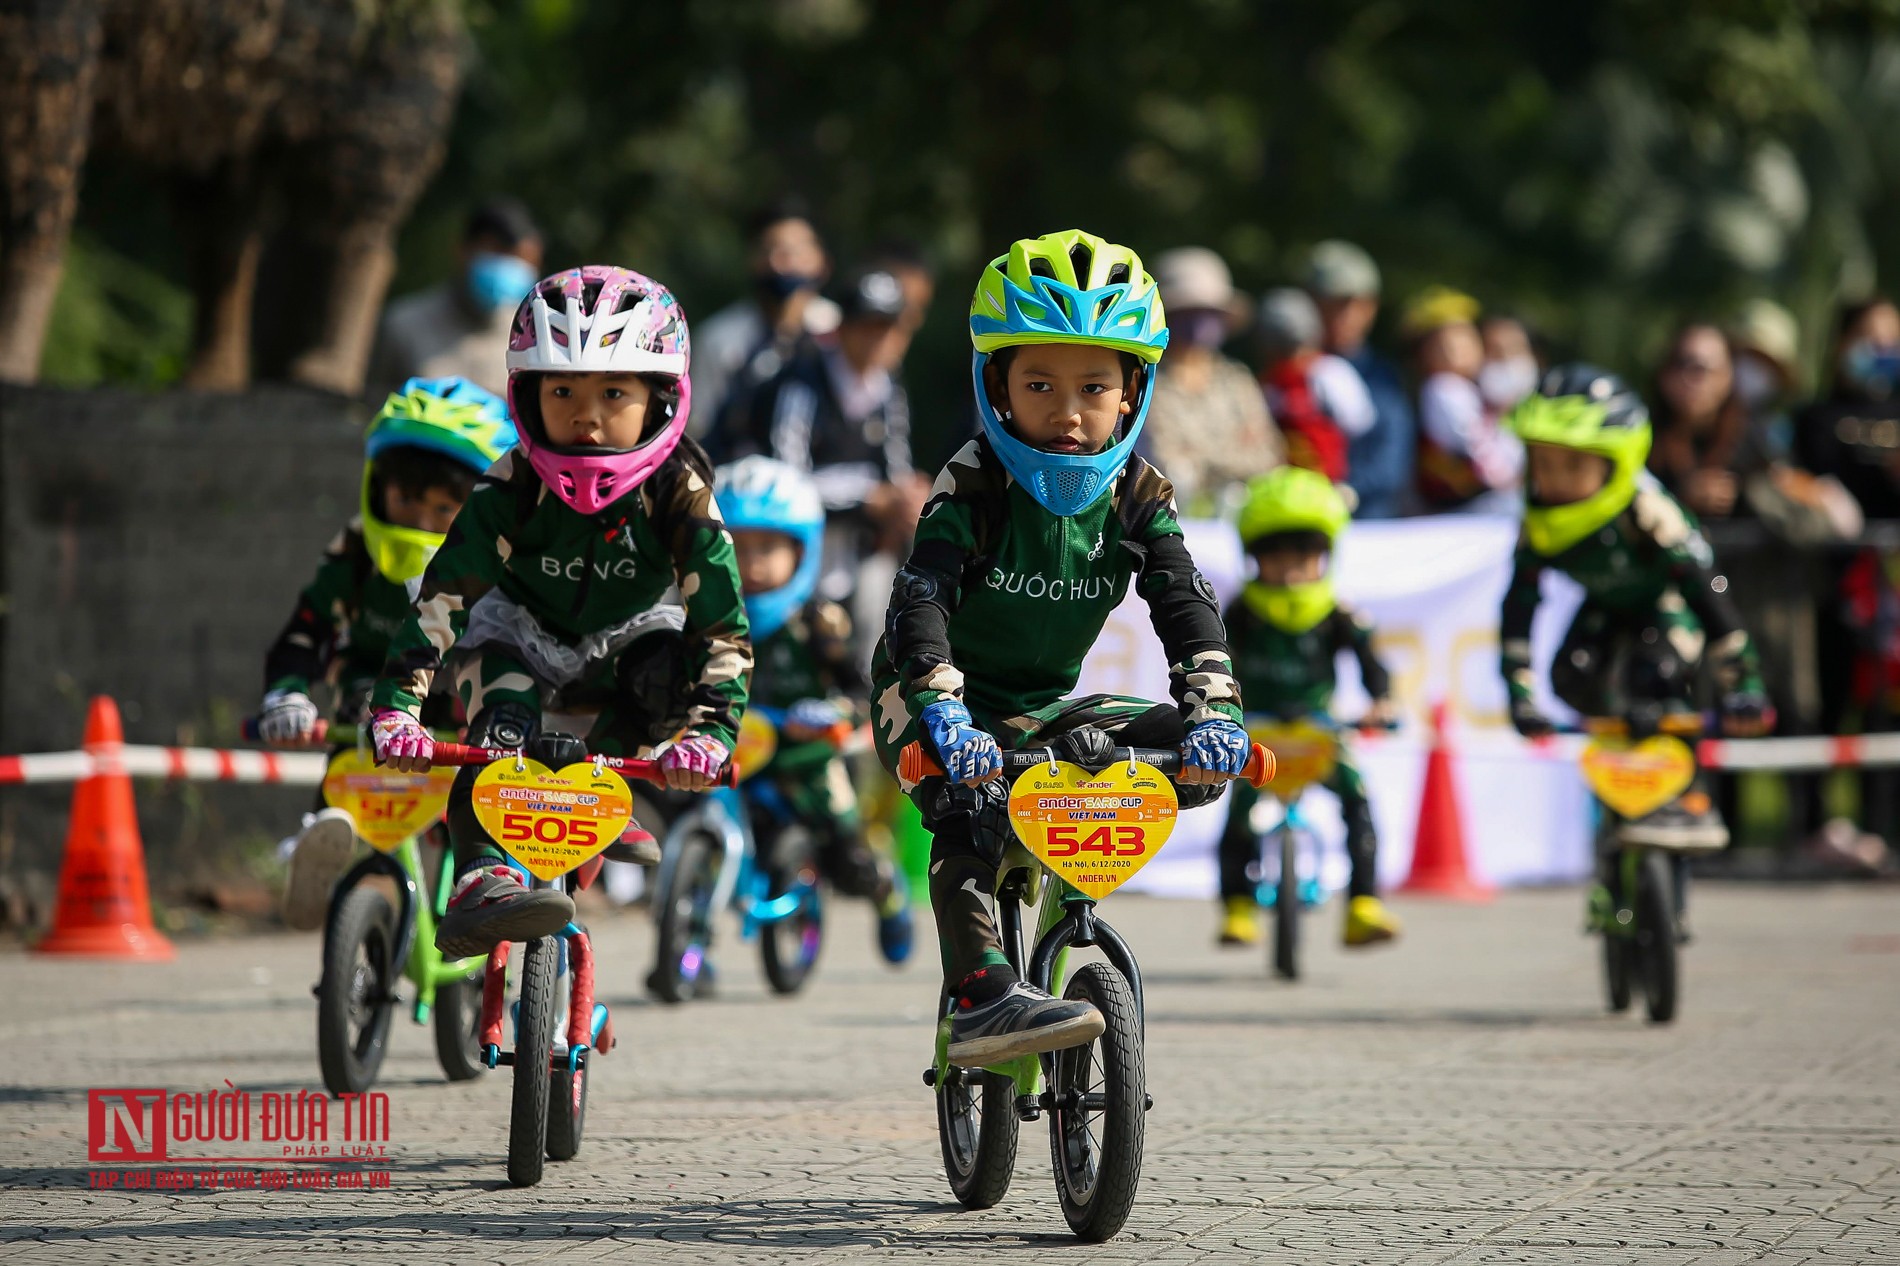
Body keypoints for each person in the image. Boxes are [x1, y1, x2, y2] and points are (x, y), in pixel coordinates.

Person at [871, 230, 1250, 1063]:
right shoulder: (971, 481)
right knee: (964, 813)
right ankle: (981, 996)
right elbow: (920, 600)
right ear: (998, 387)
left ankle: (1065, 921)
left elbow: (1185, 604)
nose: (1067, 410)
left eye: (1093, 385)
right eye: (1038, 383)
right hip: (931, 691)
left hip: (1043, 705)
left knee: (1182, 747)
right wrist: (943, 718)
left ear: (1132, 393)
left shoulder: (1141, 493)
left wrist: (1214, 713)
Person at [368, 265, 753, 958]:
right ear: (527, 395)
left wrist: (712, 735)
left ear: (661, 398)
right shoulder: (509, 484)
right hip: (516, 636)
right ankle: (481, 879)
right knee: (499, 729)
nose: (587, 413)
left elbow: (721, 628)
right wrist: (398, 706)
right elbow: (444, 602)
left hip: (628, 648)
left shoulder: (681, 494)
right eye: (563, 390)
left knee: (667, 668)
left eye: (614, 391)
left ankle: (606, 799)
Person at [258, 376, 518, 930]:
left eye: (445, 508)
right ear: (378, 487)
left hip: (467, 710)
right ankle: (326, 830)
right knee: (359, 717)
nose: (417, 524)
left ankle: (497, 872)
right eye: (403, 499)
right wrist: (288, 694)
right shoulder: (355, 547)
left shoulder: (511, 560)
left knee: (497, 753)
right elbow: (308, 628)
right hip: (376, 694)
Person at [1501, 366, 1771, 859]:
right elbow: (1518, 608)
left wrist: (1744, 683)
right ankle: (1616, 800)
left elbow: (1712, 592)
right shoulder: (1537, 524)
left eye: (1572, 465)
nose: (1553, 482)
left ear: (1615, 463)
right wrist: (1520, 692)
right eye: (1542, 463)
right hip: (1604, 609)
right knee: (1572, 676)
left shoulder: (1648, 511)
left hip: (1665, 606)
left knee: (1660, 679)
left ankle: (1689, 798)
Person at [714, 456, 914, 963]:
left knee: (847, 855)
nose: (752, 563)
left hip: (807, 757)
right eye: (737, 547)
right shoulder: (709, 619)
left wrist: (834, 711)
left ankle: (885, 892)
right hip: (731, 755)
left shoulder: (817, 622)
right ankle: (691, 936)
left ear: (802, 550)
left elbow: (857, 687)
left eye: (768, 548)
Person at [1216, 466, 1401, 948]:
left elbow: (1372, 663)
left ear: (1326, 556)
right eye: (1276, 555)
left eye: (1305, 553)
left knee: (1357, 800)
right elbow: (1216, 665)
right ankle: (1236, 906)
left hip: (1321, 732)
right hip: (1256, 736)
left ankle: (1363, 903)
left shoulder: (1339, 613)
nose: (1291, 568)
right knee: (1239, 809)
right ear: (1255, 558)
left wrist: (1382, 701)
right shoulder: (1239, 613)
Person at [714, 266, 930, 608]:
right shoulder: (800, 384)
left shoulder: (889, 390)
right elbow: (785, 485)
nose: (879, 340)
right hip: (781, 554)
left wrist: (907, 500)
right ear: (842, 329)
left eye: (888, 328)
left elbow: (895, 469)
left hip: (858, 552)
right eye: (867, 327)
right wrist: (869, 501)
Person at [1140, 247, 1282, 513]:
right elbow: (1165, 462)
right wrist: (1236, 456)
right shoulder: (1146, 383)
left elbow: (1268, 455)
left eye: (1208, 312)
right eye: (1188, 312)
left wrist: (1201, 462)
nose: (1199, 324)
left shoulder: (1237, 380)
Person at [367, 199, 543, 397]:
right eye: (497, 251)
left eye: (520, 257)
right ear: (463, 250)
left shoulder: (536, 339)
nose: (510, 266)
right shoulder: (403, 327)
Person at [693, 200, 842, 433]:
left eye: (798, 250)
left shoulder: (841, 331)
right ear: (752, 260)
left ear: (823, 260)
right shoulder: (720, 340)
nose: (786, 263)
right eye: (773, 250)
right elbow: (700, 427)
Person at [1302, 240, 1415, 519]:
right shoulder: (1290, 371)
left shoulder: (1382, 376)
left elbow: (1391, 464)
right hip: (1297, 524)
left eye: (1354, 305)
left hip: (1369, 528)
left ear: (1372, 308)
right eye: (1331, 304)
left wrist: (1346, 490)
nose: (1344, 316)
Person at [1408, 286, 1523, 512]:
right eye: (1446, 344)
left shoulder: (1471, 389)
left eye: (1466, 337)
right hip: (1462, 505)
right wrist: (1506, 478)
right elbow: (1475, 442)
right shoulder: (1443, 388)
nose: (1458, 349)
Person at [1256, 287, 1375, 485]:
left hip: (1329, 486)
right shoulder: (1269, 382)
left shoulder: (1329, 372)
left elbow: (1360, 430)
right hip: (1281, 489)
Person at [1647, 323, 1750, 520]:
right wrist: (1679, 498)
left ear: (1728, 375)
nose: (1689, 378)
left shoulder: (1753, 443)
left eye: (1701, 369)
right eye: (1679, 363)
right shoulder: (1641, 437)